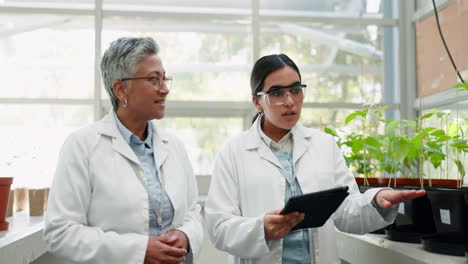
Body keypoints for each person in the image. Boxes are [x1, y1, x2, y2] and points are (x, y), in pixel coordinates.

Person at [204, 54, 426, 264]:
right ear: (257, 102)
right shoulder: (234, 152)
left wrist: (377, 200)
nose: (290, 101)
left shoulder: (324, 145)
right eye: (277, 93)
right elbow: (219, 227)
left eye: (295, 89)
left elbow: (345, 211)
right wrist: (261, 229)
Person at [44, 37, 203, 264]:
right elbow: (60, 232)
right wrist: (139, 251)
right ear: (120, 89)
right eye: (154, 79)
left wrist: (185, 236)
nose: (165, 89)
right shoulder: (82, 146)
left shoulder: (174, 146)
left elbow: (193, 212)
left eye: (164, 78)